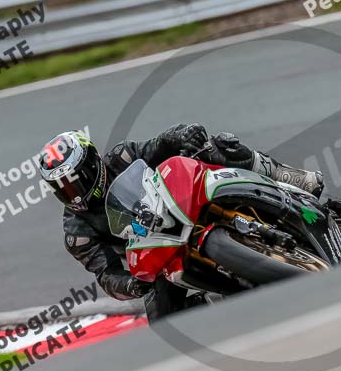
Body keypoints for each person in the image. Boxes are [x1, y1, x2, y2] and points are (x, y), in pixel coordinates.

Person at [36, 124, 323, 320]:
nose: (73, 192)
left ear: (92, 162)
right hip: (155, 254)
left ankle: (288, 177)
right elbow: (105, 274)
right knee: (161, 319)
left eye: (76, 180)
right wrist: (131, 286)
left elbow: (160, 145)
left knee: (217, 146)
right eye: (62, 188)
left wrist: (183, 135)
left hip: (177, 203)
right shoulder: (77, 232)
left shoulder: (122, 157)